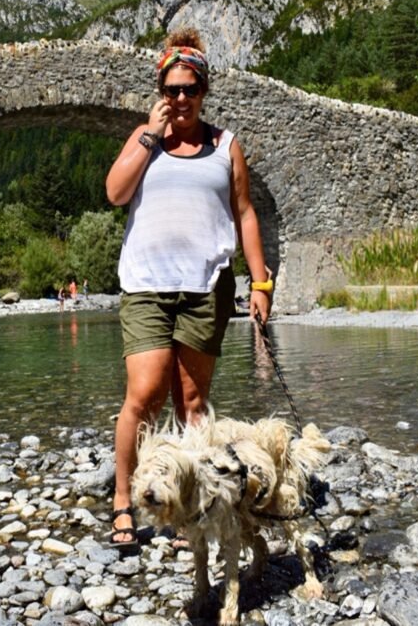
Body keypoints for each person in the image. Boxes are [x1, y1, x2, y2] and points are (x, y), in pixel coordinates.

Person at [103, 28, 272, 549]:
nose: (180, 99)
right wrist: (150, 138)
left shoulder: (226, 146)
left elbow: (244, 213)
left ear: (204, 91)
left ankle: (189, 505)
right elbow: (114, 193)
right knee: (145, 393)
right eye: (171, 89)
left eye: (190, 89)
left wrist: (261, 281)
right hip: (148, 285)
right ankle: (124, 499)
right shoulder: (143, 138)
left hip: (206, 287)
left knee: (193, 401)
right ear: (160, 90)